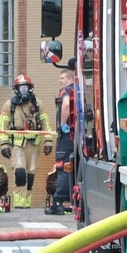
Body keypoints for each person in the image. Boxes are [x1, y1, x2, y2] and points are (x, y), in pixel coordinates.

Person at [0, 74, 51, 208]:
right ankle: (20, 202)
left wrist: (48, 141)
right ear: (16, 89)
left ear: (30, 88)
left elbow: (45, 123)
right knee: (20, 172)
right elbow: (3, 124)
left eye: (25, 87)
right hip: (17, 145)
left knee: (31, 173)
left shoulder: (38, 104)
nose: (24, 91)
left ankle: (27, 202)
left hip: (34, 144)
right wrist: (4, 144)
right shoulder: (10, 104)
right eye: (21, 88)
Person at [46, 66, 76, 215]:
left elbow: (65, 104)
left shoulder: (66, 91)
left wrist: (64, 124)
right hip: (76, 135)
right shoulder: (79, 90)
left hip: (66, 136)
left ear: (70, 79)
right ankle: (73, 200)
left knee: (63, 166)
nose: (60, 81)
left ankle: (57, 202)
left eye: (62, 78)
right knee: (72, 167)